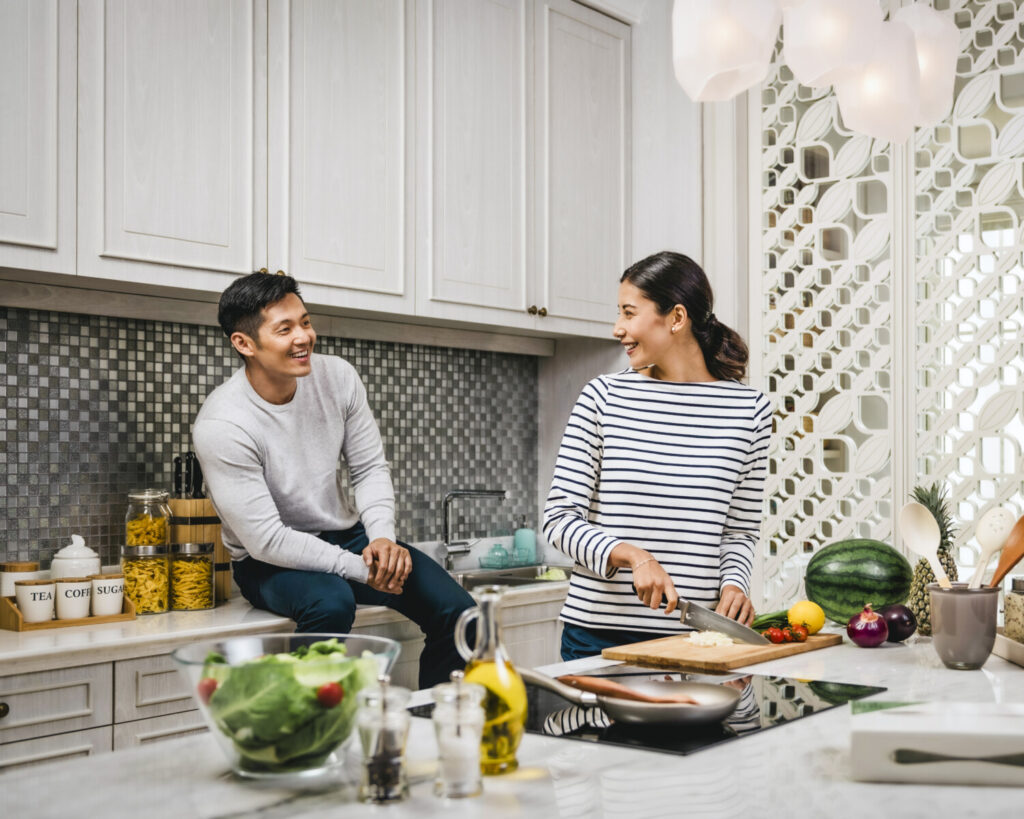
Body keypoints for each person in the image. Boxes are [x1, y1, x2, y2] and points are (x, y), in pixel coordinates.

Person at [193, 272, 475, 688]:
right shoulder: (222, 423)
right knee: (331, 601)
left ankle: (428, 724)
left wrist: (381, 539)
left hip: (348, 537)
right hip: (267, 562)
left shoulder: (337, 377)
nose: (303, 337)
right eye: (284, 329)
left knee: (460, 615)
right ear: (244, 344)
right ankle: (306, 729)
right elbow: (266, 539)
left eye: (305, 322)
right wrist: (362, 571)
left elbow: (369, 468)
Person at [543, 251, 773, 661]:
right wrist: (634, 556)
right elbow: (559, 521)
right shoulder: (604, 398)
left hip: (696, 639)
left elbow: (738, 531)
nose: (618, 329)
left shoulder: (750, 410)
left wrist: (734, 586)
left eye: (629, 313)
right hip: (598, 636)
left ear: (677, 318)